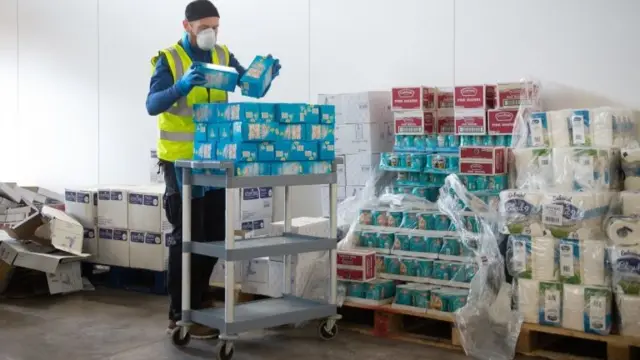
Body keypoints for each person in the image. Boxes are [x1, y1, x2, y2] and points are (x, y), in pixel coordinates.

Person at [145, 0, 281, 340]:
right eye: (204, 27)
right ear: (187, 26)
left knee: (213, 234)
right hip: (180, 163)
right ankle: (179, 313)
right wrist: (181, 86)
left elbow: (247, 87)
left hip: (215, 159)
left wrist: (264, 78)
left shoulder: (221, 56)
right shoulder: (170, 59)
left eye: (215, 27)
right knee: (185, 236)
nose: (211, 33)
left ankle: (201, 302)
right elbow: (152, 104)